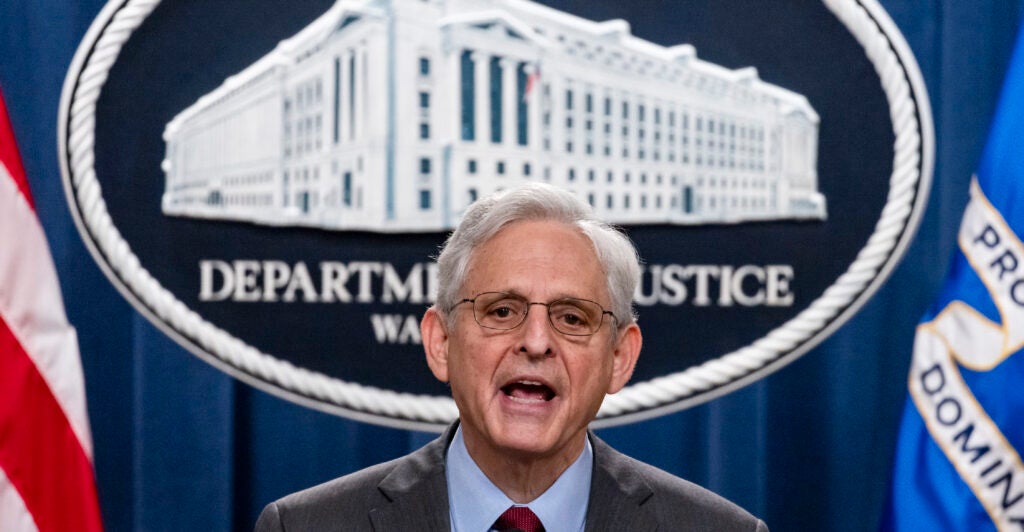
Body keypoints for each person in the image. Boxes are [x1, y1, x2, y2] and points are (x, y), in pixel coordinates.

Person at [256, 183, 768, 531]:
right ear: (441, 342)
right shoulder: (305, 526)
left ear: (619, 357)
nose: (536, 341)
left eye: (572, 317)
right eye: (502, 311)